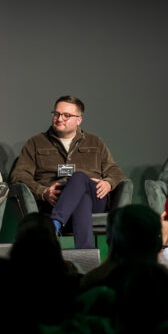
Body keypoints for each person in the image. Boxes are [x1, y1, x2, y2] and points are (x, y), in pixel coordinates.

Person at [10, 95, 126, 249]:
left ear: (79, 119)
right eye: (57, 114)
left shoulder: (94, 142)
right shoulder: (36, 143)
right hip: (54, 200)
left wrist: (108, 183)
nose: (59, 118)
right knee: (81, 198)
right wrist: (43, 192)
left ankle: (54, 224)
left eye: (66, 115)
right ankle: (86, 257)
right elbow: (19, 175)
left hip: (95, 198)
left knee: (78, 178)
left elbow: (115, 170)